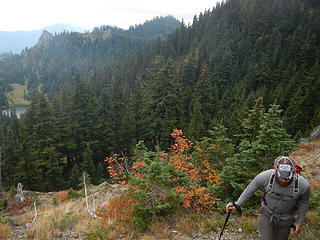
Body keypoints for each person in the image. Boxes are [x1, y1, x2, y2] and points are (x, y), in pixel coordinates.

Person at [226, 156, 310, 240]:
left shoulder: (303, 186)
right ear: (276, 171)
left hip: (286, 219)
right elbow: (249, 190)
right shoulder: (265, 177)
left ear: (293, 172)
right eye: (281, 176)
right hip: (267, 214)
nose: (284, 180)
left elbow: (304, 203)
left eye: (287, 177)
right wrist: (237, 204)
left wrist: (299, 222)